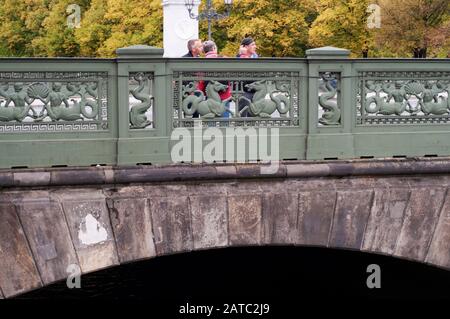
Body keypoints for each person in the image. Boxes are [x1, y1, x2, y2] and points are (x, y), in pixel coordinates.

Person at [197, 40, 232, 118]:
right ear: (214, 48)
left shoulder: (201, 63)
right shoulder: (224, 58)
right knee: (224, 125)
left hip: (210, 98)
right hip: (224, 96)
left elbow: (200, 81)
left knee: (210, 125)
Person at [237, 37, 259, 117]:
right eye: (252, 45)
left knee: (253, 116)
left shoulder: (256, 57)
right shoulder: (239, 58)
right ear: (245, 47)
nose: (255, 46)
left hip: (255, 90)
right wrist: (242, 55)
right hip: (244, 91)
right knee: (242, 116)